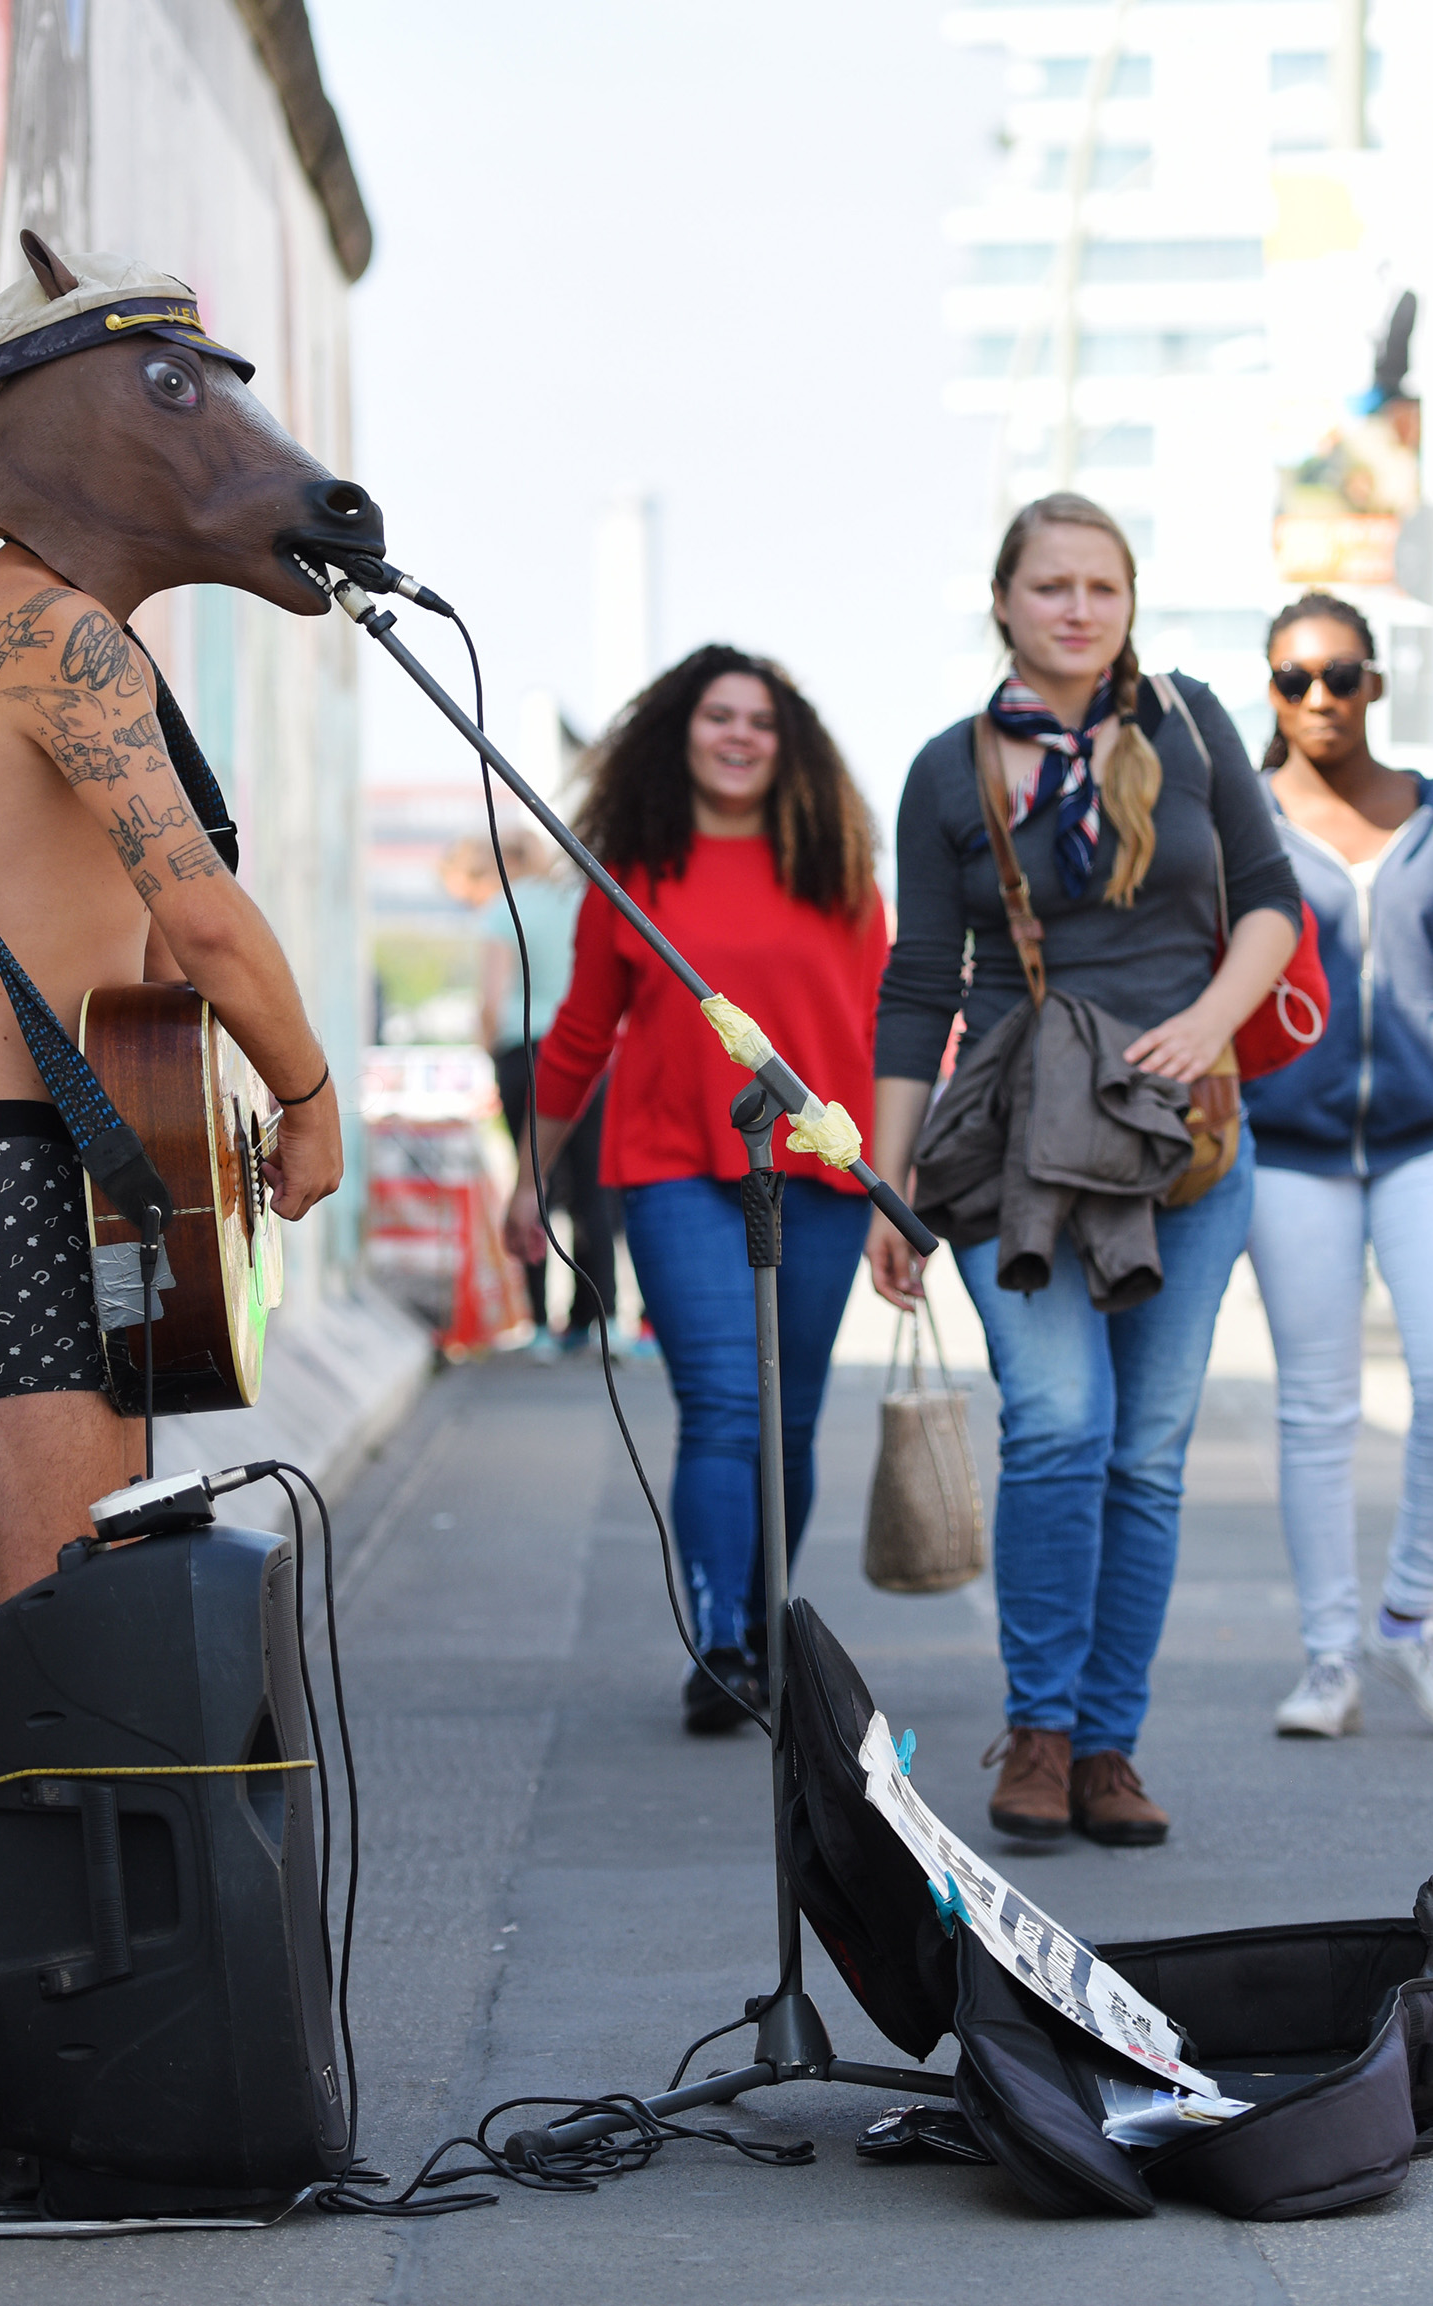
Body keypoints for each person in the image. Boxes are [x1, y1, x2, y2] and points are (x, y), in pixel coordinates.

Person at [0, 248, 342, 1591]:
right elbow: (199, 920)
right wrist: (306, 1098)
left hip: (52, 1151)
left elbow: (140, 967)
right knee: (65, 1604)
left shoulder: (55, 630)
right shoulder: (54, 640)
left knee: (98, 1598)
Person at [866, 492, 1304, 1849]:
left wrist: (1210, 1020)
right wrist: (887, 1183)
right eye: (1048, 584)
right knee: (1059, 1421)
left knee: (1148, 1455)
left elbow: (1271, 903)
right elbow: (914, 983)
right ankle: (1039, 1729)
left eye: (1099, 586)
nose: (1074, 607)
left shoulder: (1188, 722)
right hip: (1022, 1149)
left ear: (1127, 600)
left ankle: (1110, 1743)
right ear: (1002, 600)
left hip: (1185, 1142)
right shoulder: (950, 768)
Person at [508, 645, 888, 1735]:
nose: (737, 735)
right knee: (723, 1405)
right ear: (682, 731)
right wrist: (534, 1172)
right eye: (717, 715)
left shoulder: (839, 862)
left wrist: (893, 1171)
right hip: (674, 1165)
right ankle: (721, 1642)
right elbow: (581, 1032)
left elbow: (877, 1025)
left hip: (821, 1167)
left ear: (789, 741)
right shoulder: (634, 867)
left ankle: (775, 1625)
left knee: (792, 1417)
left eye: (759, 721)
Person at [1241, 593, 1433, 1741]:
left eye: (1338, 675)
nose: (1316, 698)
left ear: (1376, 682)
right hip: (1292, 1148)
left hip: (1429, 1139)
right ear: (1269, 690)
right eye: (1291, 680)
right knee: (1318, 1407)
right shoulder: (1247, 827)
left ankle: (1410, 1618)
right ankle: (1330, 1654)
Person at [445, 827, 611, 1351]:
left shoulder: (502, 909)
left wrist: (485, 1048)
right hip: (589, 1054)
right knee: (591, 1192)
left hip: (526, 1055)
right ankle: (596, 1322)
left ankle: (538, 1325)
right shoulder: (575, 900)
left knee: (531, 1183)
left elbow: (493, 1000)